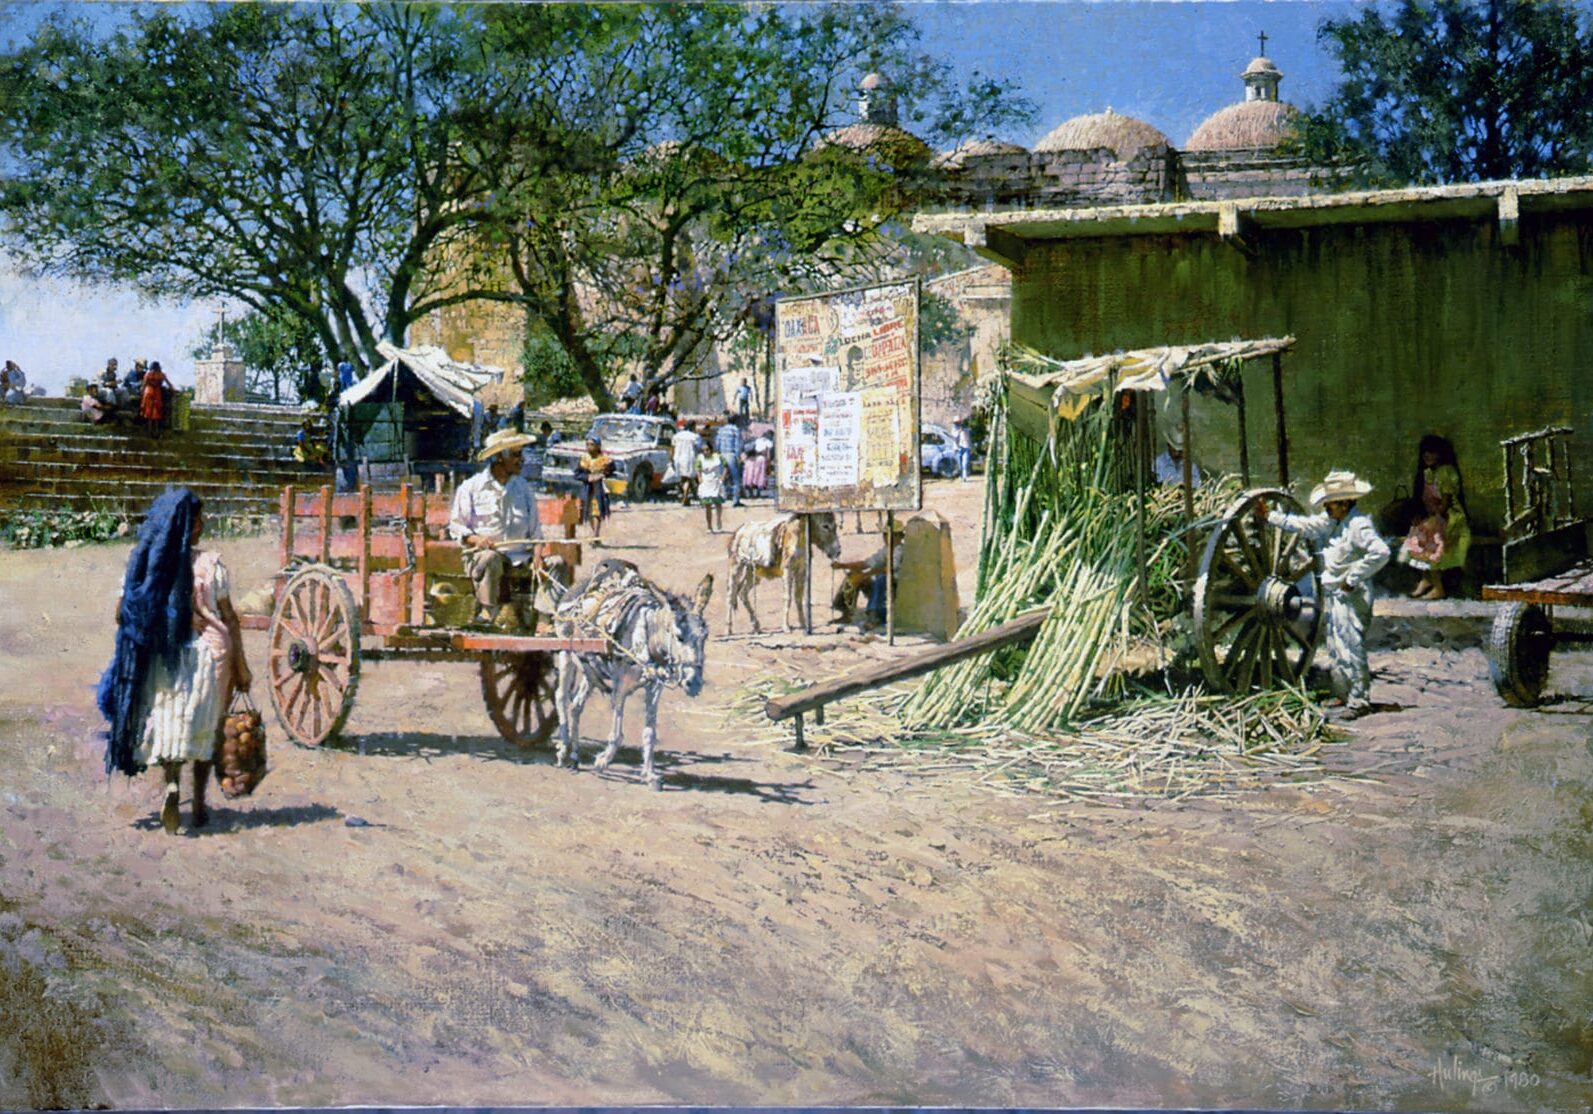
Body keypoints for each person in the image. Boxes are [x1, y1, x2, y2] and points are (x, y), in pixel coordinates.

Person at [97, 489, 253, 833]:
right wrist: (242, 666)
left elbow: (122, 614)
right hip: (212, 657)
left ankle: (172, 785)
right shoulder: (211, 566)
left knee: (171, 725)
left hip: (168, 660)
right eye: (198, 520)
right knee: (208, 728)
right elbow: (230, 618)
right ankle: (198, 803)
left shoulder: (144, 566)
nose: (202, 526)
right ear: (186, 525)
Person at [1257, 470, 1390, 719]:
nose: (1327, 509)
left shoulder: (1359, 525)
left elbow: (1381, 552)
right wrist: (1271, 517)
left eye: (1330, 505)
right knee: (1336, 645)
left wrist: (1352, 578)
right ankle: (1343, 693)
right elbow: (1305, 526)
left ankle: (1359, 700)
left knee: (1352, 645)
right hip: (1335, 593)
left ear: (1344, 503)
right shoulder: (1332, 521)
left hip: (1353, 594)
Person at [448, 429, 543, 629]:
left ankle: (545, 619)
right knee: (490, 558)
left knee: (557, 563)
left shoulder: (524, 489)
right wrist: (477, 540)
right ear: (501, 457)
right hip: (484, 558)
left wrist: (539, 555)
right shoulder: (471, 487)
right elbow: (457, 526)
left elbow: (536, 533)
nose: (521, 460)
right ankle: (488, 611)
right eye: (516, 455)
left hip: (520, 558)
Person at [1398, 434, 1470, 601]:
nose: (1428, 456)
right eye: (1425, 453)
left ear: (1441, 454)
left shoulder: (1446, 472)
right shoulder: (1427, 473)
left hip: (1450, 516)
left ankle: (1439, 587)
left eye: (1432, 452)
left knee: (1431, 536)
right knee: (1416, 532)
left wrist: (1433, 519)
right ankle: (1426, 578)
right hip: (1434, 515)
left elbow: (1445, 503)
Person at [831, 526, 906, 628]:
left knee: (882, 579)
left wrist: (865, 575)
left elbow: (889, 569)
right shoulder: (886, 550)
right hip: (881, 588)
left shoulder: (899, 550)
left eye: (890, 534)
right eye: (885, 534)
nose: (886, 537)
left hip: (894, 588)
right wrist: (842, 565)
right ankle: (846, 613)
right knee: (853, 575)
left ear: (899, 536)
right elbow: (867, 563)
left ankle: (874, 617)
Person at [574, 436, 616, 540]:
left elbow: (611, 471)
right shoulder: (584, 459)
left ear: (598, 446)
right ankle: (594, 533)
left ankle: (595, 535)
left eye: (592, 444)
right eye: (587, 444)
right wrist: (588, 477)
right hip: (588, 489)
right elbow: (577, 474)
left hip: (600, 489)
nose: (589, 447)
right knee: (588, 512)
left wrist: (602, 475)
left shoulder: (605, 459)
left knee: (597, 512)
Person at [696, 436, 728, 534]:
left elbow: (726, 466)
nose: (705, 452)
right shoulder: (700, 458)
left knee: (718, 503)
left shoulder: (718, 456)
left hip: (716, 482)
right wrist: (699, 478)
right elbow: (698, 468)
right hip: (706, 483)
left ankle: (718, 520)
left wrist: (723, 476)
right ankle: (709, 526)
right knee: (708, 505)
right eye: (703, 450)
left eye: (707, 450)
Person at [715, 409, 744, 507]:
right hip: (731, 455)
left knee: (722, 477)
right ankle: (735, 500)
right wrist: (738, 456)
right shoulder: (735, 430)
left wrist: (718, 454)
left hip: (722, 455)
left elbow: (717, 444)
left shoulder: (721, 430)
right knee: (736, 479)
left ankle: (722, 497)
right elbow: (737, 445)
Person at [672, 419, 703, 506]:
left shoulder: (677, 436)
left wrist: (671, 459)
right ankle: (685, 496)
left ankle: (685, 497)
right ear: (693, 427)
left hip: (678, 458)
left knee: (682, 478)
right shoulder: (695, 437)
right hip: (690, 459)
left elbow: (672, 448)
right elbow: (699, 448)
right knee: (688, 478)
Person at [139, 360, 169, 437]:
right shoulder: (161, 374)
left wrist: (141, 394)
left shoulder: (148, 374)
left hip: (148, 392)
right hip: (157, 393)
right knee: (156, 414)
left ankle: (149, 432)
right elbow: (169, 384)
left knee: (148, 414)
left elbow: (144, 385)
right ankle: (156, 432)